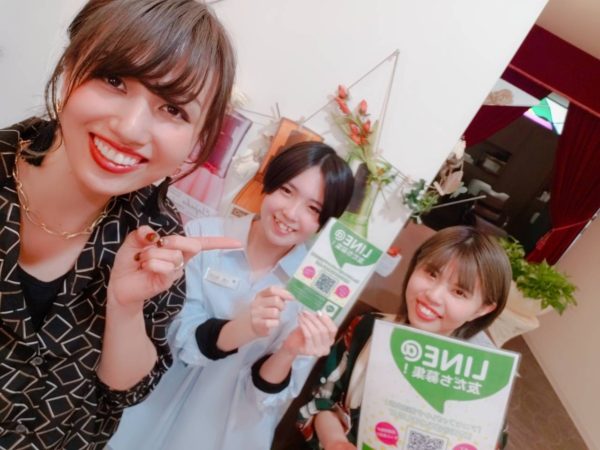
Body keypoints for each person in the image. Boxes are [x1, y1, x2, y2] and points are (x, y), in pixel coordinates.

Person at [0, 1, 238, 448]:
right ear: (70, 65)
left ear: (197, 138)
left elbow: (123, 389)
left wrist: (125, 307)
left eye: (173, 109)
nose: (130, 128)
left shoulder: (159, 241)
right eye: (114, 80)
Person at [108, 142, 355, 450]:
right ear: (269, 183)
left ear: (323, 222)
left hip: (227, 435)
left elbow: (267, 398)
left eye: (313, 208)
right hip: (143, 416)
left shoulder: (316, 288)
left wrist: (290, 350)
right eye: (287, 191)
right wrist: (245, 327)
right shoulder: (203, 235)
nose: (291, 213)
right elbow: (175, 337)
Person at [297, 226, 512, 450]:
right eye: (432, 273)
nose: (433, 295)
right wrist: (336, 442)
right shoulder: (366, 328)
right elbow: (324, 400)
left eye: (459, 292)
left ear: (483, 309)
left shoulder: (485, 385)